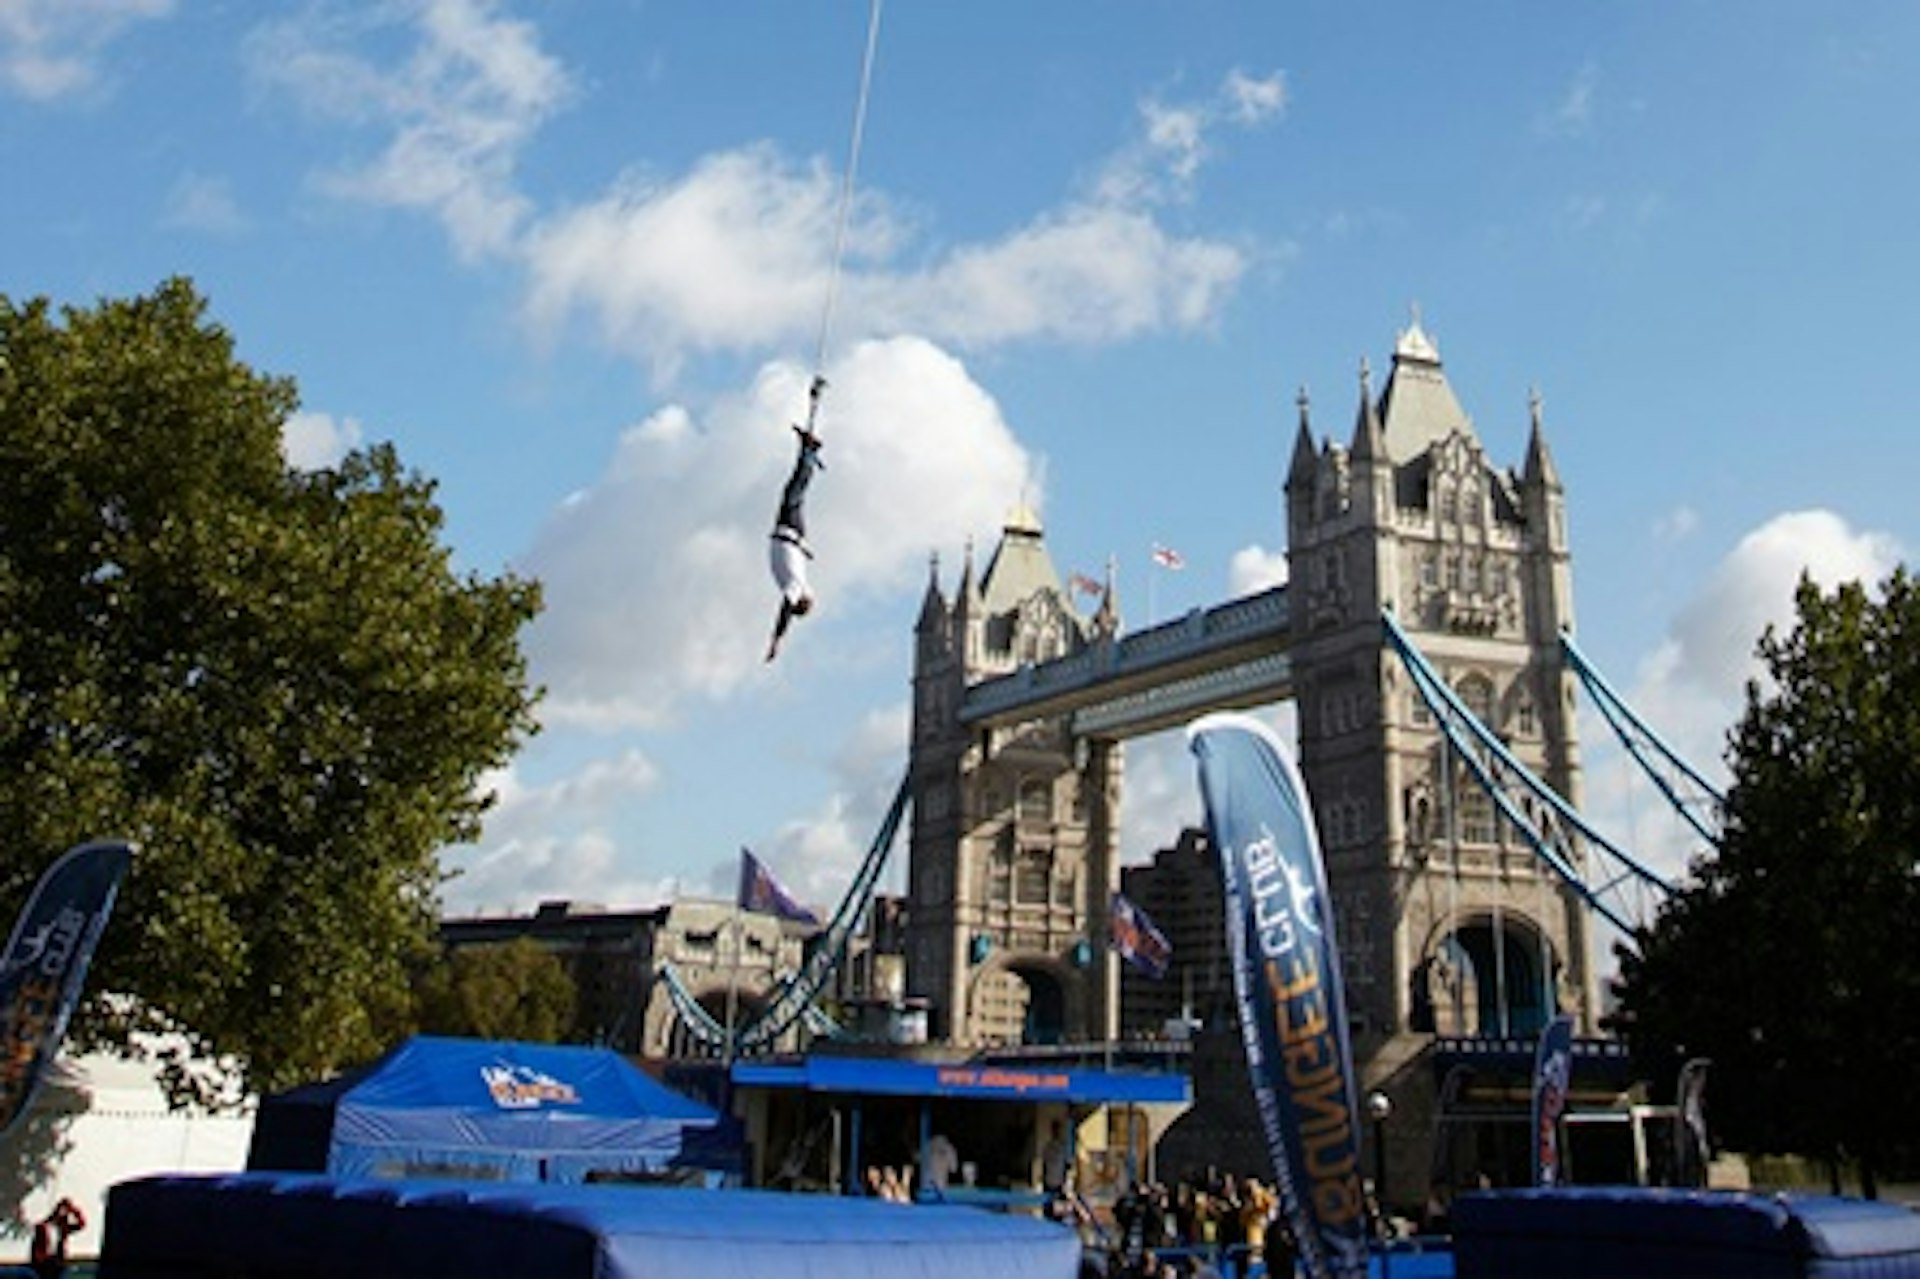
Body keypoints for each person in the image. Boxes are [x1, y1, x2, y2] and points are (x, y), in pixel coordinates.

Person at [765, 376, 827, 663]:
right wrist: (777, 640)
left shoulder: (795, 587)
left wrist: (778, 640)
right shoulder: (796, 588)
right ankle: (809, 453)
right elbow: (784, 613)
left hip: (790, 534)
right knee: (794, 491)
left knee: (795, 490)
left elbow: (786, 611)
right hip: (789, 532)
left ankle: (808, 454)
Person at [30, 1198, 84, 1279]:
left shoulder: (63, 1228)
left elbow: (81, 1224)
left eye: (66, 1213)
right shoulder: (43, 1226)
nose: (62, 1215)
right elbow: (35, 1246)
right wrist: (38, 1261)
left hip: (58, 1261)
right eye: (61, 1211)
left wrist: (73, 1209)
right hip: (45, 1263)